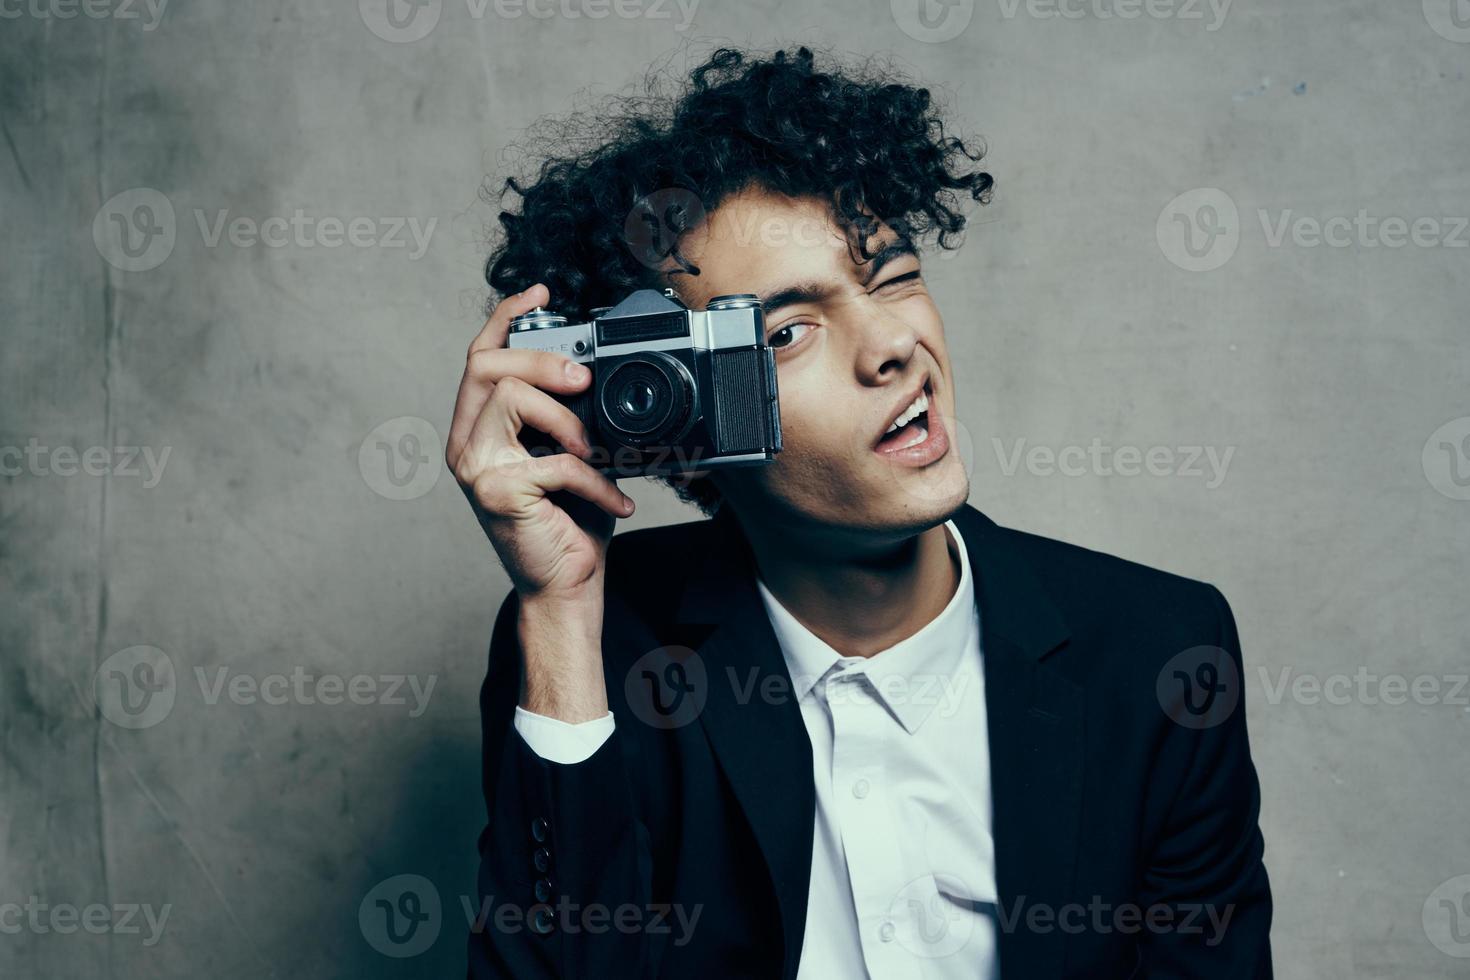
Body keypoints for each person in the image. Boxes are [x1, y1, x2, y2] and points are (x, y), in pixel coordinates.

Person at [449, 45, 1272, 979]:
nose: (892, 346)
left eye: (892, 276)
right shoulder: (601, 649)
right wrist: (557, 616)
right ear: (680, 413)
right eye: (790, 331)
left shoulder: (1159, 648)